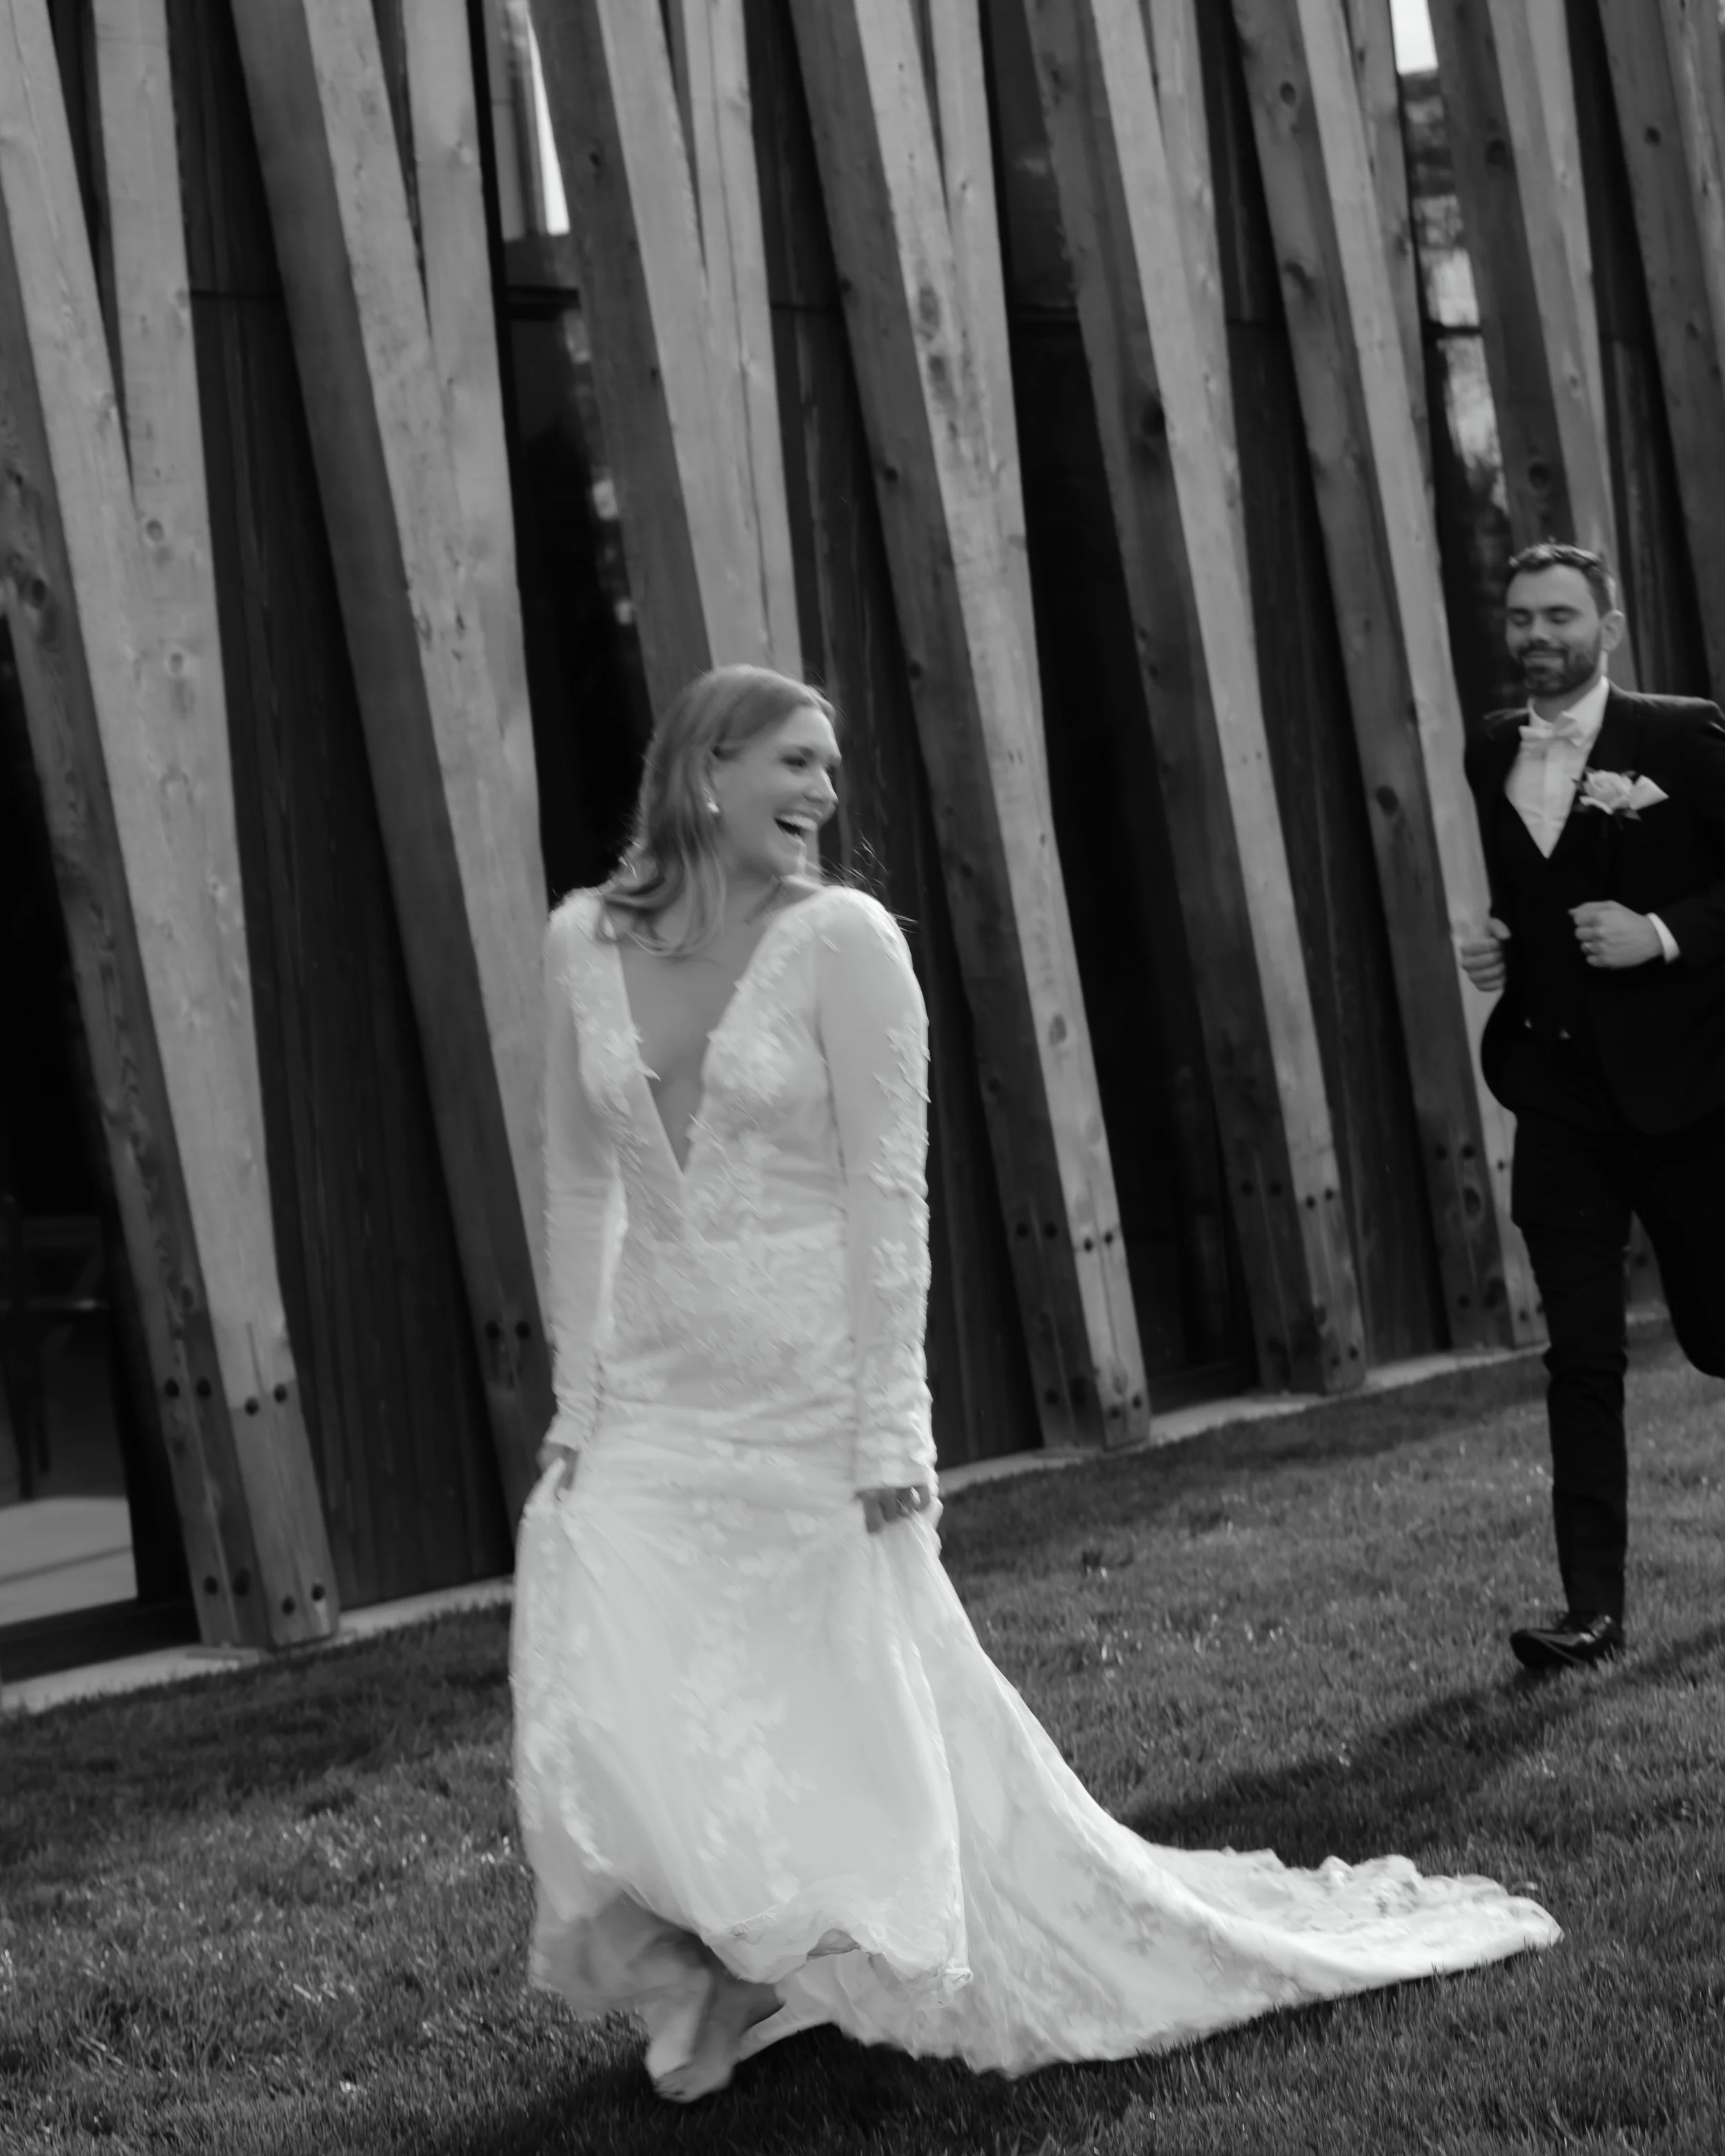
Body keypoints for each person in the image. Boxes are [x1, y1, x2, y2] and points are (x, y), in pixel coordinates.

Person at [511, 663, 1558, 2104]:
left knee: (825, 1683)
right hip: (652, 1387)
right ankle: (698, 1946)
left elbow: (892, 1199)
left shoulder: (846, 942)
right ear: (704, 767)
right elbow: (579, 1184)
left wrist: (892, 1420)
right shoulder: (582, 939)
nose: (823, 791)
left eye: (831, 766)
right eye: (794, 762)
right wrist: (578, 1399)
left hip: (811, 1394)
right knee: (614, 1654)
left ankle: (763, 1953)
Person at [1460, 542, 1725, 1672]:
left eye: (1560, 615)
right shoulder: (1490, 749)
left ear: (1606, 625)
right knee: (1581, 1355)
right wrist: (1502, 940)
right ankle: (1592, 1612)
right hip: (1557, 1094)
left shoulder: (1680, 735)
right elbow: (1534, 880)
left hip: (1691, 1095)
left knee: (1719, 1335)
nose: (1537, 636)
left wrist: (1660, 936)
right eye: (1522, 616)